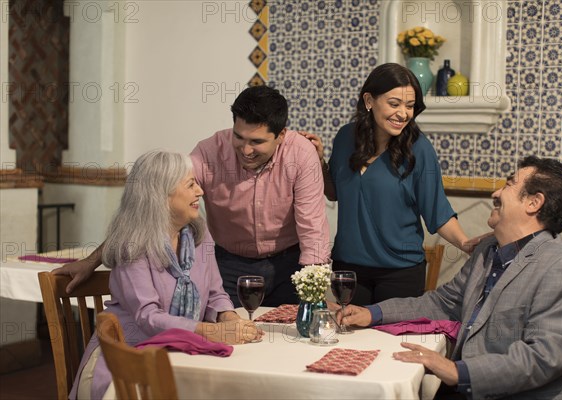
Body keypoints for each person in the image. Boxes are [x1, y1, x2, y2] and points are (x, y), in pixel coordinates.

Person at [338, 156, 562, 399]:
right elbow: (443, 303)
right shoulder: (489, 250)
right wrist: (372, 313)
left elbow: (544, 357)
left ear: (534, 202)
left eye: (509, 185)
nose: (495, 192)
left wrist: (455, 372)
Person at [54, 86, 330, 307]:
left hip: (290, 264)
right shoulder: (210, 152)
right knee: (229, 342)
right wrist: (93, 260)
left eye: (256, 142)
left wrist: (314, 293)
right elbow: (153, 201)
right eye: (239, 137)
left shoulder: (301, 154)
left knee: (292, 342)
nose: (245, 150)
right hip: (229, 264)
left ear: (281, 135)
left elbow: (313, 229)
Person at [71, 151, 262, 400]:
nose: (200, 191)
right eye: (190, 184)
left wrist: (228, 318)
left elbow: (216, 293)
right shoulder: (133, 246)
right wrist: (210, 331)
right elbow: (148, 317)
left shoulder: (199, 235)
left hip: (179, 356)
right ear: (160, 195)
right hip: (125, 365)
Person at [303, 63, 481, 305]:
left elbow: (437, 211)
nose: (403, 114)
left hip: (400, 274)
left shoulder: (419, 149)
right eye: (394, 104)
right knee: (350, 341)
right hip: (348, 271)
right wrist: (320, 161)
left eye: (409, 106)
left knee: (392, 342)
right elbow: (334, 193)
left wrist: (464, 242)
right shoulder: (346, 137)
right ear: (369, 100)